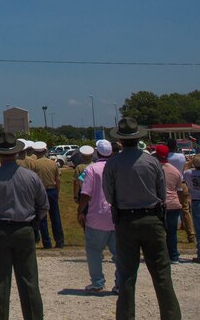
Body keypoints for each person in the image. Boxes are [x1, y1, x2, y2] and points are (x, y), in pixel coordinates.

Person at [103, 118, 180, 320]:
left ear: (120, 140)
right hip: (152, 218)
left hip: (126, 220)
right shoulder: (152, 161)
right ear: (138, 139)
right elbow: (161, 193)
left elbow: (108, 195)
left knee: (126, 275)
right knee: (162, 274)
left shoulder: (113, 163)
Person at [0, 132, 47, 320]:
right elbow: (43, 206)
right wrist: (34, 222)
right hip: (25, 229)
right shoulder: (31, 177)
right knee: (29, 281)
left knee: (0, 283)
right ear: (17, 152)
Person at [77, 140, 122, 294]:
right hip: (117, 216)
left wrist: (80, 211)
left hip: (97, 216)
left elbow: (85, 192)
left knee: (94, 251)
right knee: (119, 253)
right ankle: (120, 284)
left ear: (97, 152)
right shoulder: (118, 167)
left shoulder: (91, 169)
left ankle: (97, 282)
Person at [154, 144, 186, 263]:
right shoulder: (175, 171)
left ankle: (160, 255)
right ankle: (174, 256)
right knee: (172, 233)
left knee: (158, 233)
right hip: (173, 203)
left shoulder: (153, 169)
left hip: (159, 204)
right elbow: (179, 189)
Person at [29, 143, 63, 249]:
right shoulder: (53, 163)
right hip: (52, 190)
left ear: (35, 152)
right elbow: (58, 179)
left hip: (39, 192)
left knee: (42, 219)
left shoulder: (34, 164)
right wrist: (57, 192)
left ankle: (46, 242)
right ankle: (59, 241)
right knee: (55, 217)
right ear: (45, 150)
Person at [165, 140, 195, 243]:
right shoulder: (181, 156)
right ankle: (191, 235)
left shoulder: (166, 157)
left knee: (168, 209)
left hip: (169, 183)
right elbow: (187, 165)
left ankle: (170, 233)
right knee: (185, 209)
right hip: (181, 182)